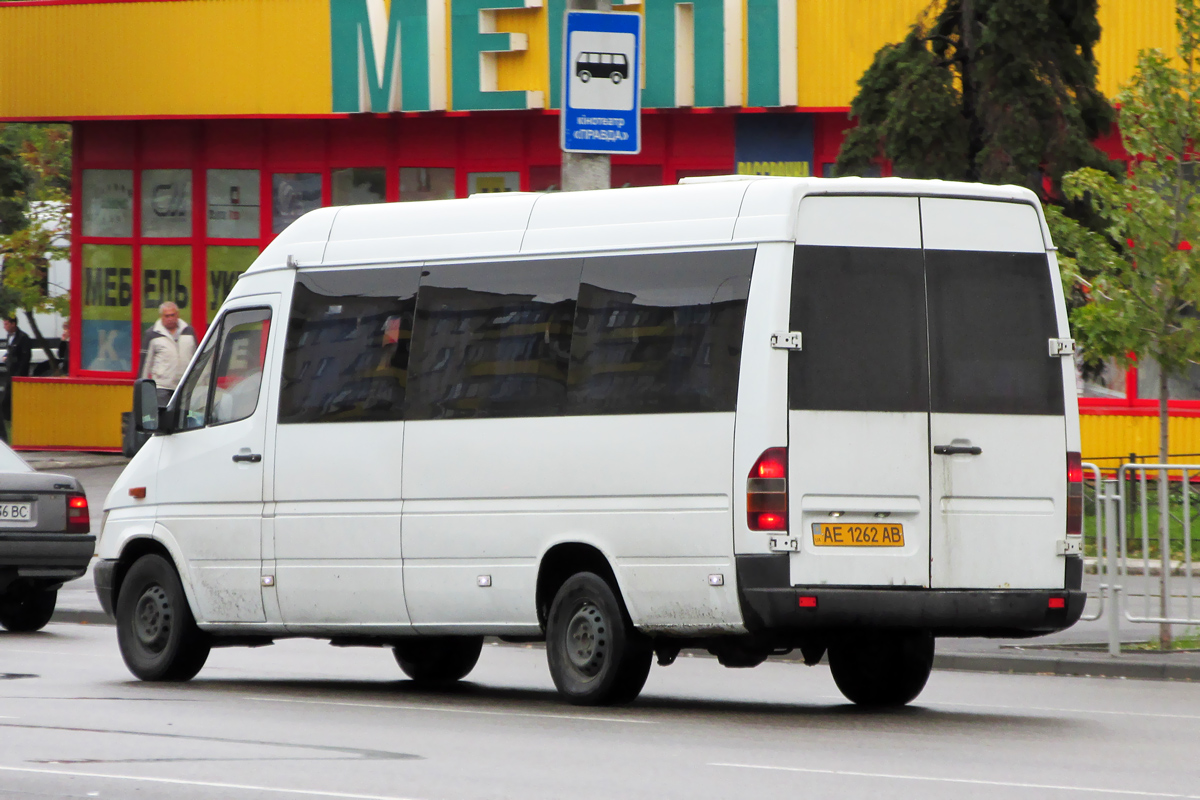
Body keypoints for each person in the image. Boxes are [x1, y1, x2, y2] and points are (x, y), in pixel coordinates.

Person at [140, 302, 197, 406]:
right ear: (161, 317)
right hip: (162, 387)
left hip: (185, 386)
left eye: (172, 315)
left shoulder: (189, 331)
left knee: (182, 420)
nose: (170, 318)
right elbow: (145, 364)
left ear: (177, 315)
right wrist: (142, 390)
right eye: (167, 316)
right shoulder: (152, 334)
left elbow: (198, 359)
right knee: (164, 419)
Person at [1, 317, 32, 441]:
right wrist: (6, 356)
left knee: (12, 397)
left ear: (14, 324)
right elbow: (11, 351)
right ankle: (8, 420)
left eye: (7, 324)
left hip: (18, 374)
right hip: (10, 372)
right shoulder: (9, 337)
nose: (4, 326)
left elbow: (25, 358)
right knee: (6, 397)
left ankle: (13, 420)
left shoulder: (23, 338)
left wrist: (18, 375)